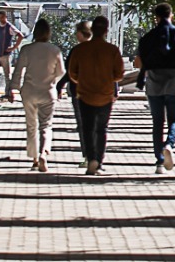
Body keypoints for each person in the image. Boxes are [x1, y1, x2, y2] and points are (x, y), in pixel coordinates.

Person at [134, 3, 175, 174]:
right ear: (172, 15)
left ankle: (159, 163)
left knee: (157, 122)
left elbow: (138, 62)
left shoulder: (147, 38)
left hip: (154, 82)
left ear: (156, 17)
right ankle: (169, 144)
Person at [69, 15, 124, 175]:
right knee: (101, 128)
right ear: (106, 31)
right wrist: (107, 79)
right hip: (105, 95)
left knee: (87, 128)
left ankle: (91, 158)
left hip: (85, 94)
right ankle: (99, 161)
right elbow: (119, 74)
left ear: (92, 30)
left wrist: (84, 80)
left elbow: (72, 73)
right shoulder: (112, 50)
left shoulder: (80, 50)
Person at [9, 19, 66, 172]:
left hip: (29, 91)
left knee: (31, 125)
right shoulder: (55, 50)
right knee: (45, 125)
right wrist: (53, 80)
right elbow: (61, 72)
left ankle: (34, 157)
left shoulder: (27, 49)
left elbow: (18, 70)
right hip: (48, 91)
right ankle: (43, 153)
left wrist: (13, 89)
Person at [59, 22, 92, 163]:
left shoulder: (76, 50)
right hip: (97, 90)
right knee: (97, 124)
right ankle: (96, 156)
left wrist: (59, 86)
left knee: (83, 124)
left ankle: (87, 155)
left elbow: (69, 71)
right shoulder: (101, 49)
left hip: (78, 91)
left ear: (80, 33)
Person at [0, 11, 20, 101]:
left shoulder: (9, 27)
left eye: (2, 17)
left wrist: (13, 47)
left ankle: (8, 93)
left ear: (5, 17)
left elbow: (20, 35)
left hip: (6, 55)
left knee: (7, 75)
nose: (0, 19)